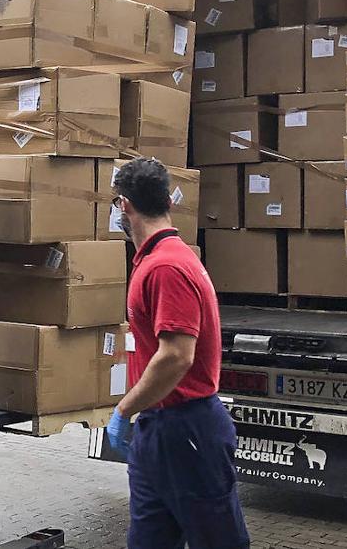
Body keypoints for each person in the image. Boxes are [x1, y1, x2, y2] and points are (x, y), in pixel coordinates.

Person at [105, 158, 249, 549]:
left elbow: (177, 356)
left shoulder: (166, 266)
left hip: (186, 428)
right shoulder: (160, 259)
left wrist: (123, 410)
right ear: (168, 201)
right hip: (160, 427)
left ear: (125, 206)